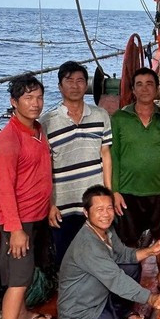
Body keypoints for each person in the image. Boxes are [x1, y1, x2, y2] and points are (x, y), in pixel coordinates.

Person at [58, 185, 160, 319]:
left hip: (97, 297)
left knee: (131, 266)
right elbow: (116, 280)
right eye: (99, 209)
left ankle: (119, 311)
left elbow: (121, 255)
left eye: (109, 208)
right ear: (86, 213)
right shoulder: (88, 246)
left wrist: (150, 250)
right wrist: (151, 298)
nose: (105, 214)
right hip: (80, 311)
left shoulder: (106, 230)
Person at [0, 73, 54, 319]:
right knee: (18, 279)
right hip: (19, 221)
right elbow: (3, 188)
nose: (35, 103)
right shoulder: (8, 139)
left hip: (39, 214)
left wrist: (50, 205)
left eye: (39, 97)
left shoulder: (38, 130)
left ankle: (24, 314)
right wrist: (15, 230)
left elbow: (41, 173)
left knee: (28, 274)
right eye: (28, 98)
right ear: (13, 102)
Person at [40, 61, 112, 266]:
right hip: (63, 204)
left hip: (94, 203)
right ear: (60, 86)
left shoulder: (100, 115)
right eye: (69, 81)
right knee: (67, 259)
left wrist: (108, 193)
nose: (75, 85)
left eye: (80, 80)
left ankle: (97, 298)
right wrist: (50, 204)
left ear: (87, 85)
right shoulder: (47, 122)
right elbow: (44, 168)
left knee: (100, 257)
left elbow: (105, 155)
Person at [111, 67, 160, 292]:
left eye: (150, 84)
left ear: (157, 89)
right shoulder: (119, 118)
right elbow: (114, 155)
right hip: (129, 190)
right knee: (128, 238)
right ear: (132, 90)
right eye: (139, 84)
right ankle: (130, 276)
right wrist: (115, 191)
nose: (145, 88)